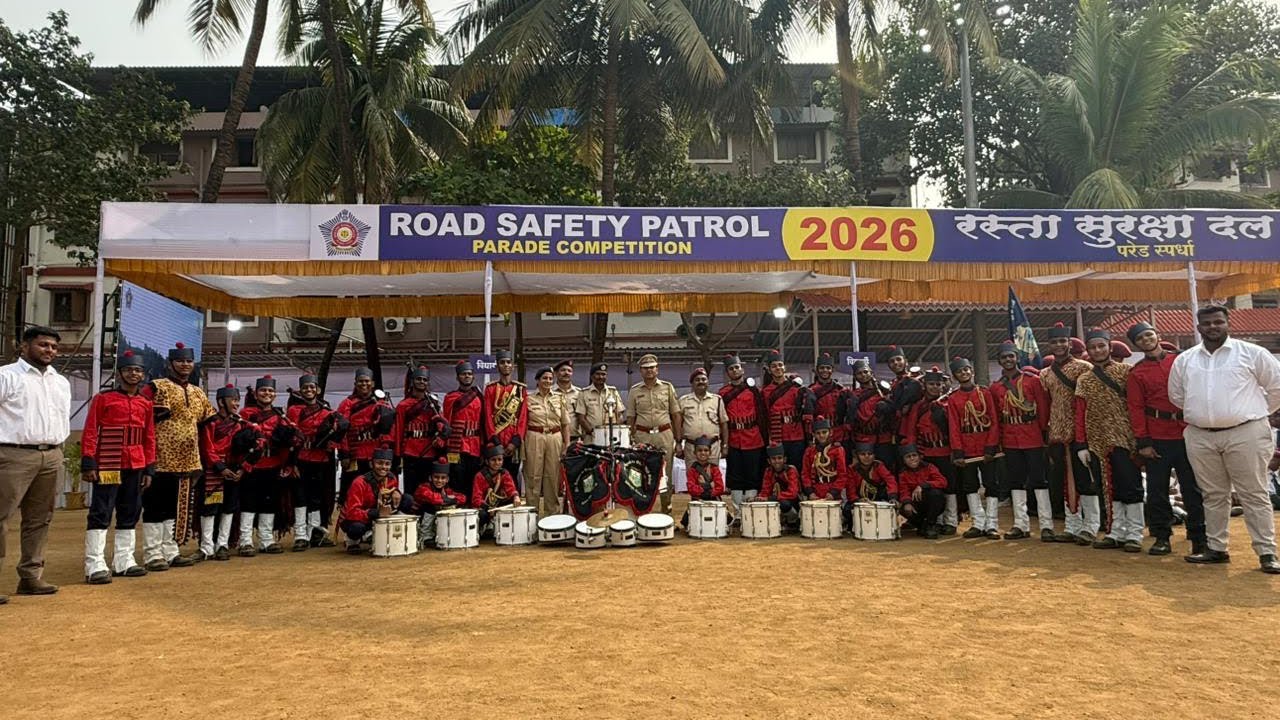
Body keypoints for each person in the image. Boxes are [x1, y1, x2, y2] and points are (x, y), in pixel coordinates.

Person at [1170, 305, 1280, 574]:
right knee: (1213, 495)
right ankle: (1217, 548)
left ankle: (1267, 552)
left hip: (1246, 432)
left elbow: (1276, 387)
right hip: (1200, 435)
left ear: (1227, 323)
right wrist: (1208, 416)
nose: (1212, 327)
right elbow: (1177, 396)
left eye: (1218, 322)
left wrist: (1254, 413)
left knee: (1253, 493)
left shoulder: (1252, 353)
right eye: (1207, 323)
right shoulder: (1185, 360)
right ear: (1198, 327)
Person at [0, 326, 71, 602]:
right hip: (13, 454)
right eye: (43, 345)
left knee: (40, 519)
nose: (49, 351)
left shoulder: (60, 382)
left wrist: (58, 450)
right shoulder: (7, 376)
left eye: (53, 347)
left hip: (51, 455)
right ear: (24, 347)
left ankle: (31, 577)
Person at [1126, 322, 1206, 556]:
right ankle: (1162, 536)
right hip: (1157, 436)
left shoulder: (1180, 361)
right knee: (1157, 489)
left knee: (1192, 489)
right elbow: (1136, 408)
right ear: (1136, 345)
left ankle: (1199, 537)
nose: (1146, 340)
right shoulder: (1137, 373)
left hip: (1186, 432)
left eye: (1149, 334)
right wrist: (1143, 441)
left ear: (1157, 335)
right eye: (1140, 338)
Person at [81, 351, 155, 584]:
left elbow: (149, 436)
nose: (134, 373)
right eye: (129, 369)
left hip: (136, 462)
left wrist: (150, 468)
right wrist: (89, 460)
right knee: (101, 510)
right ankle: (95, 564)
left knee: (130, 510)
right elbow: (91, 430)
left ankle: (124, 560)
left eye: (138, 370)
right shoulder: (103, 399)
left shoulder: (146, 403)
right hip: (109, 461)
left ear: (143, 375)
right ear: (120, 372)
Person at [140, 341, 214, 570]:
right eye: (180, 361)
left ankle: (170, 551)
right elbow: (142, 418)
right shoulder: (156, 387)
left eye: (188, 361)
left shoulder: (198, 392)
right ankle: (153, 554)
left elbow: (206, 426)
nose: (185, 365)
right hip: (160, 458)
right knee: (154, 506)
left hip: (188, 460)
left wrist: (203, 459)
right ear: (170, 363)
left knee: (176, 507)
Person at [1073, 329, 1144, 553]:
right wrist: (1081, 444)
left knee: (1130, 485)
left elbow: (1136, 405)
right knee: (1107, 487)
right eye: (1093, 347)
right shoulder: (1084, 379)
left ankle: (1135, 533)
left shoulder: (1126, 371)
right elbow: (1080, 413)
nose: (1097, 351)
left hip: (1124, 437)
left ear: (1110, 347)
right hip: (1097, 440)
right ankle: (1115, 531)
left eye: (1101, 346)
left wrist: (1141, 437)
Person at [1040, 322, 1101, 545]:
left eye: (1062, 341)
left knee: (1085, 480)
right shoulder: (1045, 374)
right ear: (1049, 344)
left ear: (1069, 343)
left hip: (1080, 433)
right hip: (1057, 433)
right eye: (1054, 341)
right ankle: (1071, 525)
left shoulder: (1085, 368)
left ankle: (1091, 526)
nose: (1058, 345)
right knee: (1064, 481)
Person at [989, 340, 1053, 541]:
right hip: (1010, 438)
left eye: (1011, 356)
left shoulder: (1032, 381)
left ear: (1017, 358)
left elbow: (1042, 409)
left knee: (1039, 480)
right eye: (1004, 357)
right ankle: (1020, 524)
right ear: (999, 361)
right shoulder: (996, 388)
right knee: (1015, 482)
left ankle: (1046, 525)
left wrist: (1043, 434)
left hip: (1032, 435)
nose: (1008, 360)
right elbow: (997, 417)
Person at [197, 384, 259, 561]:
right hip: (213, 469)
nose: (236, 403)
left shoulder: (240, 424)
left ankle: (222, 544)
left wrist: (242, 467)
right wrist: (219, 467)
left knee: (229, 507)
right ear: (221, 401)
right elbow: (207, 447)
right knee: (209, 508)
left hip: (233, 469)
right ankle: (206, 546)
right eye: (233, 400)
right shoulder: (211, 422)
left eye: (238, 400)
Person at [238, 375, 297, 556]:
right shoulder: (245, 414)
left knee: (269, 503)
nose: (267, 393)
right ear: (256, 393)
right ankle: (245, 541)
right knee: (248, 503)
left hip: (273, 464)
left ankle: (266, 540)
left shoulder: (280, 416)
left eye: (270, 391)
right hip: (252, 465)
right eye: (263, 390)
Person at [287, 374, 346, 550]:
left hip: (322, 459)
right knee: (300, 496)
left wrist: (334, 438)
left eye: (312, 387)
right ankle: (300, 535)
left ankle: (314, 533)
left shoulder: (327, 411)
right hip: (302, 458)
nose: (309, 390)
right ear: (300, 390)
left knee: (317, 497)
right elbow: (292, 437)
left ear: (318, 390)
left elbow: (337, 434)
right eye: (305, 387)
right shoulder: (294, 410)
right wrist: (292, 463)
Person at [945, 357, 1002, 539]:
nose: (964, 373)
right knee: (970, 486)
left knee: (991, 485)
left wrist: (991, 446)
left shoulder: (985, 393)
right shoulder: (953, 398)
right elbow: (954, 426)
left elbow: (993, 420)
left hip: (986, 445)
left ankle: (991, 524)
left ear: (972, 371)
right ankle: (978, 523)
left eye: (966, 370)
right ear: (955, 376)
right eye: (960, 371)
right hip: (967, 449)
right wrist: (958, 451)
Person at [901, 366, 958, 534]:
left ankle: (951, 521)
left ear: (942, 385)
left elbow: (954, 429)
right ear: (925, 385)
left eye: (937, 384)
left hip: (946, 451)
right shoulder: (918, 407)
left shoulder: (948, 403)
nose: (934, 387)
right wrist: (914, 454)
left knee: (951, 487)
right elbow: (911, 431)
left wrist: (957, 450)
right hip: (926, 452)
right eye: (931, 384)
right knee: (932, 490)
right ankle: (936, 521)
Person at [627, 354, 681, 513]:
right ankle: (643, 509)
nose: (649, 370)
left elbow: (676, 414)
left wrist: (678, 440)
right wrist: (630, 438)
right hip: (642, 435)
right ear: (641, 371)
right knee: (642, 472)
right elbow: (631, 417)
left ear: (657, 369)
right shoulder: (634, 391)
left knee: (666, 473)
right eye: (645, 368)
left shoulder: (667, 387)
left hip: (664, 434)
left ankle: (666, 509)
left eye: (652, 367)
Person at [337, 367, 396, 507]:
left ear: (373, 384)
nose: (364, 384)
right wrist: (344, 454)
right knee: (352, 490)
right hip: (355, 455)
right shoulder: (347, 404)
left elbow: (388, 431)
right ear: (355, 383)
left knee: (376, 491)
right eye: (360, 381)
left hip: (375, 455)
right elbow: (341, 430)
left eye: (367, 381)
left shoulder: (381, 404)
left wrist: (386, 451)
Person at [719, 354, 769, 510]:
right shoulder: (723, 393)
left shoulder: (754, 391)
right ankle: (738, 512)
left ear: (742, 369)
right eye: (731, 369)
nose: (735, 371)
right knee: (736, 477)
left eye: (737, 367)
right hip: (734, 438)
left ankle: (751, 510)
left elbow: (762, 414)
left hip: (753, 437)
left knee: (753, 475)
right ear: (727, 373)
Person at [395, 366, 448, 500]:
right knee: (411, 490)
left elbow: (441, 424)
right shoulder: (403, 405)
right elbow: (399, 430)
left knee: (428, 489)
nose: (422, 382)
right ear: (412, 381)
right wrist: (397, 454)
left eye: (425, 380)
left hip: (429, 450)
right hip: (410, 451)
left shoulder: (433, 404)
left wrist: (441, 439)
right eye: (418, 379)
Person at [525, 367, 571, 517]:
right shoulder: (528, 398)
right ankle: (532, 514)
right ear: (537, 380)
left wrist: (567, 444)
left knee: (552, 475)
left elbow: (565, 423)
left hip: (554, 436)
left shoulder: (559, 398)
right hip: (534, 436)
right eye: (544, 378)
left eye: (551, 379)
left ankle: (553, 515)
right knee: (533, 475)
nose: (548, 381)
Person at [338, 448, 401, 554]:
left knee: (407, 500)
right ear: (371, 464)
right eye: (379, 463)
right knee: (357, 528)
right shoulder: (359, 483)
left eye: (387, 464)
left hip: (376, 514)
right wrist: (376, 513)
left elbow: (391, 498)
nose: (383, 467)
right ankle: (352, 541)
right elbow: (352, 513)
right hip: (353, 519)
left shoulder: (391, 478)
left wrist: (396, 491)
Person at [762, 350, 814, 474]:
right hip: (778, 434)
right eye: (774, 366)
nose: (777, 368)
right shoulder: (766, 391)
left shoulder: (796, 387)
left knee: (798, 465)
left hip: (797, 433)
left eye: (780, 365)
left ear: (784, 367)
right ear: (769, 370)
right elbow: (765, 415)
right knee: (779, 468)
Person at [482, 351, 527, 484]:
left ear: (513, 366)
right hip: (496, 439)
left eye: (508, 362)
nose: (506, 365)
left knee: (512, 477)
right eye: (502, 362)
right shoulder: (490, 389)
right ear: (497, 366)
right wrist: (495, 440)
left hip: (513, 439)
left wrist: (515, 441)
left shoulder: (520, 390)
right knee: (495, 478)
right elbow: (487, 416)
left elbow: (523, 417)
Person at [443, 361, 484, 497]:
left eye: (469, 374)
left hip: (475, 445)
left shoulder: (479, 397)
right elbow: (447, 420)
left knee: (473, 480)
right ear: (457, 377)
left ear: (473, 377)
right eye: (463, 374)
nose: (467, 376)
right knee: (456, 479)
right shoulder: (450, 397)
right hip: (456, 445)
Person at [878, 345, 923, 467]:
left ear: (906, 361)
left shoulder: (916, 380)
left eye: (898, 359)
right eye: (892, 361)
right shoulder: (893, 384)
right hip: (898, 431)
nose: (896, 363)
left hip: (914, 430)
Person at [843, 359, 893, 468]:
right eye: (859, 373)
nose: (863, 375)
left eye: (865, 372)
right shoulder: (854, 396)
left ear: (871, 373)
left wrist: (888, 407)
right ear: (855, 377)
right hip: (864, 438)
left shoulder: (884, 391)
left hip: (884, 438)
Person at [677, 368, 728, 466]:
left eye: (703, 379)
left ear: (708, 382)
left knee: (712, 478)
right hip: (691, 448)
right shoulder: (683, 401)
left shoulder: (717, 400)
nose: (701, 382)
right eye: (697, 380)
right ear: (692, 383)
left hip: (712, 447)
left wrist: (725, 445)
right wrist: (678, 443)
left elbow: (724, 424)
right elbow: (678, 424)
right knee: (693, 478)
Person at [897, 445, 948, 538]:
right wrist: (907, 503)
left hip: (931, 502)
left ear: (919, 456)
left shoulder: (929, 467)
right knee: (903, 508)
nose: (912, 458)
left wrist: (924, 485)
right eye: (908, 457)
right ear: (903, 460)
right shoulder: (902, 473)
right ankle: (921, 525)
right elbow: (904, 491)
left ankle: (930, 525)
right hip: (915, 504)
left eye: (914, 455)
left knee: (936, 494)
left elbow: (943, 481)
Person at [471, 443, 523, 533]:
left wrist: (515, 496)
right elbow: (476, 499)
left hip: (498, 505)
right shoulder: (479, 476)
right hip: (485, 507)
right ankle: (483, 527)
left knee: (513, 504)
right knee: (482, 514)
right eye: (493, 460)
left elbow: (510, 489)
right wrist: (488, 508)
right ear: (487, 462)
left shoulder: (504, 473)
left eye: (500, 460)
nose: (497, 463)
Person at [682, 436, 725, 527]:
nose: (703, 453)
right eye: (700, 450)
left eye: (706, 450)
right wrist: (709, 486)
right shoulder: (692, 470)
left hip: (714, 500)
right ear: (694, 452)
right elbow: (691, 488)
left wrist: (707, 492)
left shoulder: (714, 469)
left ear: (710, 452)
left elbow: (720, 488)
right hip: (698, 500)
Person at [802, 418, 848, 502]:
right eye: (818, 433)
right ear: (814, 434)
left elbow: (842, 474)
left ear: (830, 433)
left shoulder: (837, 450)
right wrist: (810, 492)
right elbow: (805, 474)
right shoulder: (809, 451)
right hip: (815, 492)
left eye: (824, 432)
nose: (821, 435)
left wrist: (833, 492)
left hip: (833, 491)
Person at [574, 362, 624, 440]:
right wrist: (593, 433)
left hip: (610, 437)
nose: (600, 377)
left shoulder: (613, 392)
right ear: (592, 376)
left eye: (603, 374)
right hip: (591, 437)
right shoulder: (584, 393)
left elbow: (620, 414)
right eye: (597, 374)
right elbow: (581, 418)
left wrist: (614, 431)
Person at [758, 444, 801, 529]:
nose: (777, 461)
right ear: (769, 461)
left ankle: (793, 521)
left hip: (792, 502)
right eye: (773, 459)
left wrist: (772, 498)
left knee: (784, 504)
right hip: (775, 500)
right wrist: (760, 498)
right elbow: (765, 490)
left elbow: (793, 493)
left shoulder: (791, 470)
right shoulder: (768, 471)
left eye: (779, 458)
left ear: (784, 459)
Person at [809, 353, 846, 445]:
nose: (825, 370)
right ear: (817, 370)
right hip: (820, 434)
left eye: (828, 368)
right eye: (822, 368)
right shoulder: (810, 390)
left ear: (832, 370)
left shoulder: (841, 390)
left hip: (839, 433)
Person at [553, 360, 583, 441]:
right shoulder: (550, 392)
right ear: (555, 373)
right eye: (563, 370)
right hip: (555, 437)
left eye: (569, 371)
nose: (566, 373)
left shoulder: (579, 393)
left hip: (574, 437)